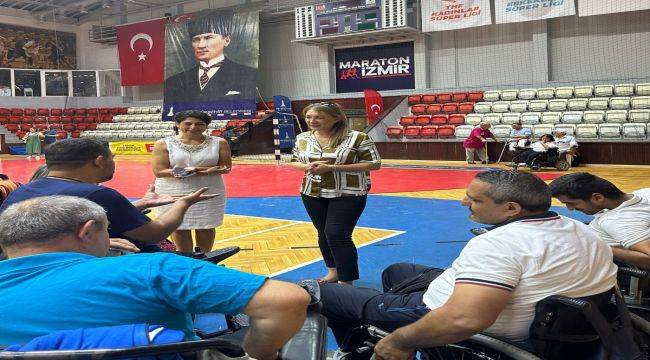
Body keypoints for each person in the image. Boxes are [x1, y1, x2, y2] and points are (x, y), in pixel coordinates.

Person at [319, 170, 617, 357]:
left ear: (511, 208)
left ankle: (356, 350)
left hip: (451, 318)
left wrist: (400, 342)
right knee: (397, 271)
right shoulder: (579, 227)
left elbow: (464, 320)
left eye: (473, 199)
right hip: (558, 324)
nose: (463, 203)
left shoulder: (499, 245)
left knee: (323, 293)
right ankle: (394, 330)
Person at [0, 196, 311, 360]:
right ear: (87, 232)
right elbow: (286, 301)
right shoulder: (150, 269)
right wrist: (259, 352)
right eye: (107, 230)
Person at [1, 138, 216, 252]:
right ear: (99, 161)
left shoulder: (23, 190)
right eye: (112, 158)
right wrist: (183, 204)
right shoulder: (100, 194)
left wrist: (139, 204)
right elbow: (156, 233)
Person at [289, 102, 381, 285]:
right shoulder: (302, 138)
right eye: (308, 117)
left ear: (336, 118)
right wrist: (306, 166)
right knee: (323, 233)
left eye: (318, 117)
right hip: (312, 192)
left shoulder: (357, 137)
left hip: (348, 193)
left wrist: (331, 168)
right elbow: (294, 161)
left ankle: (346, 281)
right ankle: (333, 272)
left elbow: (374, 163)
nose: (312, 121)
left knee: (337, 234)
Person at [152, 111, 231, 252]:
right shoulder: (163, 144)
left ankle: (205, 260)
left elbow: (225, 167)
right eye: (188, 123)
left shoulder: (219, 142)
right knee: (178, 226)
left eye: (200, 124)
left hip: (209, 190)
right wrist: (201, 170)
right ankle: (187, 261)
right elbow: (159, 171)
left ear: (206, 126)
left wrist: (194, 170)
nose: (193, 127)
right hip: (173, 191)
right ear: (177, 124)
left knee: (206, 225)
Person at [550, 172, 650, 269]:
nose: (570, 208)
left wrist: (600, 247)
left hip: (605, 266)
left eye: (571, 203)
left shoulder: (616, 222)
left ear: (598, 198)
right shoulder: (644, 193)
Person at [163, 10, 257, 105]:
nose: (201, 45)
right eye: (196, 40)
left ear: (226, 40)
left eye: (208, 38)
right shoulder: (174, 82)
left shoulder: (247, 74)